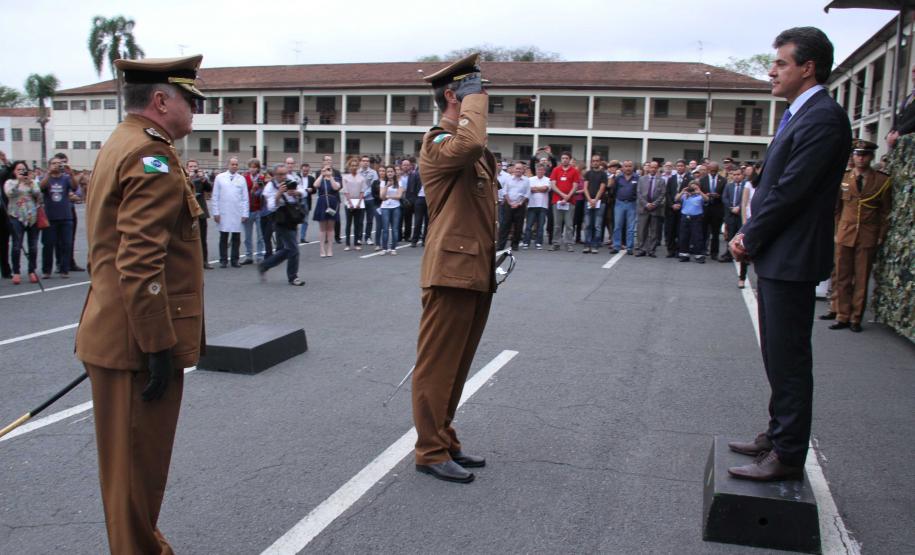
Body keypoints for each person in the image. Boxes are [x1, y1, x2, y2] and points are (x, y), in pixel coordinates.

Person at [74, 54, 207, 553]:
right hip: (135, 341)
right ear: (160, 101)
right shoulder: (149, 156)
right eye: (189, 100)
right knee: (136, 479)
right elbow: (140, 262)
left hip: (116, 331)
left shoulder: (122, 141)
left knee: (131, 478)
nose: (193, 110)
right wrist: (156, 345)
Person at [728, 27, 852, 481]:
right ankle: (777, 435)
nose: (772, 70)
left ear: (808, 68)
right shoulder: (801, 114)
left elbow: (790, 190)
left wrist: (749, 235)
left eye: (781, 63)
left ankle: (787, 453)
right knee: (777, 354)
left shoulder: (822, 117)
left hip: (792, 254)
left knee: (789, 357)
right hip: (784, 252)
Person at [414, 53, 496, 484]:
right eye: (477, 94)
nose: (484, 101)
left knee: (458, 365)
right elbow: (471, 143)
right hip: (449, 272)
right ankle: (429, 451)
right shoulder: (439, 142)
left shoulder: (467, 147)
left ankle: (445, 440)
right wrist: (472, 105)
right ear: (453, 96)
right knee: (437, 365)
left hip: (472, 270)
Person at [824, 139, 891, 332]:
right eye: (857, 154)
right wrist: (837, 231)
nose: (860, 159)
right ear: (853, 156)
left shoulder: (882, 181)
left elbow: (885, 212)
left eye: (864, 155)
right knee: (842, 276)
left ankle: (855, 318)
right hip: (845, 232)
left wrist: (881, 235)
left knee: (861, 278)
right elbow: (837, 209)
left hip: (868, 234)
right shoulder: (844, 179)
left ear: (871, 157)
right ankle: (842, 315)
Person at [258, 164, 305, 285]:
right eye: (280, 174)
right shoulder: (270, 187)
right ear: (274, 175)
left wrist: (296, 192)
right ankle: (293, 277)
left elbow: (303, 192)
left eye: (285, 173)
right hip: (280, 218)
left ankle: (264, 265)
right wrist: (279, 193)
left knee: (288, 249)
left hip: (292, 216)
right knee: (294, 249)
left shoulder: (291, 180)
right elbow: (271, 207)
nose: (283, 177)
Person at [38, 156, 77, 278]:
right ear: (49, 165)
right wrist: (49, 173)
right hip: (50, 217)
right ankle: (47, 270)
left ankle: (64, 269)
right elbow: (41, 187)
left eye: (59, 164)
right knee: (48, 244)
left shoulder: (65, 178)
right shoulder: (46, 178)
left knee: (66, 244)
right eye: (54, 163)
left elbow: (75, 187)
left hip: (66, 217)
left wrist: (71, 174)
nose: (56, 165)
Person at [4, 160, 41, 284]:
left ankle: (32, 271)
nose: (21, 171)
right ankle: (16, 272)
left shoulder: (32, 182)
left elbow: (38, 196)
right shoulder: (10, 182)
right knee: (16, 246)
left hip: (32, 217)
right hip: (16, 216)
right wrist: (19, 181)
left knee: (33, 246)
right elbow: (9, 194)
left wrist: (31, 183)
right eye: (18, 169)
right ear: (14, 171)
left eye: (23, 169)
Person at [211, 157, 249, 267]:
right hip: (224, 212)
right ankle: (223, 260)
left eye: (236, 164)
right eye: (232, 164)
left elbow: (245, 198)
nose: (234, 166)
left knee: (236, 238)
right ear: (228, 165)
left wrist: (245, 213)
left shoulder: (242, 179)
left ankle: (235, 260)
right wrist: (216, 212)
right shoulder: (219, 178)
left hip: (237, 212)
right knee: (223, 236)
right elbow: (215, 196)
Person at [549, 152, 580, 252]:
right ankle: (556, 243)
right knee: (557, 224)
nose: (564, 160)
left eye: (566, 158)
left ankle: (569, 244)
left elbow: (575, 186)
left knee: (569, 224)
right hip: (557, 201)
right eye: (562, 158)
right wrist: (563, 195)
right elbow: (553, 185)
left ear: (570, 159)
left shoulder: (574, 171)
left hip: (570, 202)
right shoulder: (556, 170)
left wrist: (568, 197)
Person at [635, 161, 666, 257]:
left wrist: (654, 204)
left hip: (655, 208)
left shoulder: (661, 180)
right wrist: (646, 204)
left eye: (655, 167)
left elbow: (662, 194)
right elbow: (639, 193)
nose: (653, 169)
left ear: (657, 169)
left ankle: (651, 250)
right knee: (642, 230)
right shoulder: (641, 179)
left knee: (654, 231)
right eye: (651, 167)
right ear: (648, 168)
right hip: (643, 208)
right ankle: (642, 249)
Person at [498, 162, 530, 250]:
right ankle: (501, 245)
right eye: (517, 168)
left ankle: (514, 245)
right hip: (508, 205)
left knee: (518, 227)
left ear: (523, 170)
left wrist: (519, 203)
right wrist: (510, 202)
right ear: (513, 169)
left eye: (520, 169)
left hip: (520, 205)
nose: (518, 170)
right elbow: (504, 192)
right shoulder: (509, 179)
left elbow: (527, 194)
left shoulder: (526, 180)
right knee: (505, 225)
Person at [310, 165, 341, 257]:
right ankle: (322, 249)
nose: (327, 171)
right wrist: (322, 174)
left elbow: (336, 187)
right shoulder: (321, 179)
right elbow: (315, 185)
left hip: (332, 203)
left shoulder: (336, 179)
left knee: (330, 228)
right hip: (322, 203)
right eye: (325, 169)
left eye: (329, 169)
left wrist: (330, 176)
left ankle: (330, 249)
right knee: (322, 228)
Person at [187, 159, 212, 268]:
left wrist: (203, 179)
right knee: (188, 239)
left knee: (202, 238)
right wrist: (189, 178)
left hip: (201, 212)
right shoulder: (184, 178)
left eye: (195, 166)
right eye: (191, 166)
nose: (193, 168)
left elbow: (209, 189)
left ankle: (204, 261)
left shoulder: (201, 179)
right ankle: (190, 262)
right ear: (187, 168)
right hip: (188, 213)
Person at [737, 168, 759, 289]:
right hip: (750, 220)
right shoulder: (749, 184)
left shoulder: (770, 183)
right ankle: (741, 278)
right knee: (744, 250)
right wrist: (744, 222)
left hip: (763, 220)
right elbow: (744, 204)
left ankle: (760, 280)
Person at [676, 179, 708, 262]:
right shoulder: (685, 194)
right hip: (685, 216)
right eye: (691, 185)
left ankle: (699, 255)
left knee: (697, 237)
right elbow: (676, 199)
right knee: (684, 236)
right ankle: (684, 254)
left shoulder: (700, 195)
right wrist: (682, 192)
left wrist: (699, 192)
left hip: (697, 217)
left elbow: (707, 199)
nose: (693, 187)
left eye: (695, 185)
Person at [611, 160, 639, 255]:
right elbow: (614, 190)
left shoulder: (637, 177)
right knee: (617, 226)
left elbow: (639, 191)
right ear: (622, 168)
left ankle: (630, 247)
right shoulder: (619, 178)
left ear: (633, 167)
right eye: (626, 166)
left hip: (632, 204)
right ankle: (616, 246)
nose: (628, 168)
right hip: (620, 204)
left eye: (630, 166)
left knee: (630, 228)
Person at [699, 161, 725, 260]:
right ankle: (702, 251)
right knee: (703, 232)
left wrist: (719, 196)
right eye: (711, 170)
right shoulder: (702, 180)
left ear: (718, 170)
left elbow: (725, 195)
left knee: (715, 233)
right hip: (705, 209)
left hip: (717, 209)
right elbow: (699, 194)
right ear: (708, 170)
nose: (713, 172)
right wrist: (706, 195)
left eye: (715, 170)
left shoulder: (723, 180)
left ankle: (714, 252)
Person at [242, 158, 266, 265]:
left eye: (255, 167)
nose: (252, 169)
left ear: (258, 168)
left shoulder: (262, 178)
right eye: (251, 167)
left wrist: (262, 185)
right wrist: (253, 187)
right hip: (248, 209)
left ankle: (260, 255)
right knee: (247, 235)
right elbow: (243, 192)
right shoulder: (244, 178)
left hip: (259, 209)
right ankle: (248, 255)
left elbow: (265, 192)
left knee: (260, 235)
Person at [581, 155, 607, 254]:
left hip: (600, 202)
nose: (595, 162)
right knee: (588, 224)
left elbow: (602, 188)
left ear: (600, 162)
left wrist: (595, 200)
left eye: (597, 161)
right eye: (593, 161)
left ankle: (595, 245)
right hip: (588, 201)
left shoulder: (603, 174)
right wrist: (589, 200)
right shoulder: (588, 173)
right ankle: (587, 244)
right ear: (591, 162)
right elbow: (585, 187)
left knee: (597, 225)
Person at [885, 65, 915, 150]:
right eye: (913, 72)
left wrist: (899, 132)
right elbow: (900, 118)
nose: (914, 75)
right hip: (901, 146)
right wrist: (891, 132)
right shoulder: (908, 98)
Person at [522, 162, 550, 249]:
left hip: (543, 206)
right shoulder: (530, 179)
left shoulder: (548, 179)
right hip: (532, 205)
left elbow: (545, 189)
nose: (540, 171)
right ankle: (526, 242)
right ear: (536, 170)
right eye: (538, 170)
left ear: (544, 171)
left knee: (540, 226)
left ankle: (538, 243)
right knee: (529, 225)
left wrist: (535, 188)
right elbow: (530, 189)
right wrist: (540, 189)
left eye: (542, 170)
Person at [720, 168, 745, 263]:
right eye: (734, 175)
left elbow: (746, 199)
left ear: (742, 175)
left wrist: (739, 207)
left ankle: (741, 254)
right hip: (730, 214)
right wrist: (731, 207)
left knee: (740, 235)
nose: (736, 176)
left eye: (738, 174)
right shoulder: (728, 186)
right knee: (730, 235)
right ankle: (729, 254)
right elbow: (724, 198)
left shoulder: (746, 186)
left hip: (740, 214)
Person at [341, 157, 366, 251]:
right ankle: (347, 243)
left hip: (359, 203)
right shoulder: (345, 177)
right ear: (349, 166)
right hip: (348, 203)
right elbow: (345, 191)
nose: (354, 167)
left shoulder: (361, 178)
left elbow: (362, 191)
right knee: (348, 223)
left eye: (356, 165)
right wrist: (350, 203)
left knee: (357, 224)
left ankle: (356, 243)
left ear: (358, 166)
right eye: (352, 165)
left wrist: (359, 202)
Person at [378, 165, 403, 254]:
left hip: (396, 207)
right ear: (386, 173)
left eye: (391, 171)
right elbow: (382, 197)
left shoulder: (399, 182)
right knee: (385, 228)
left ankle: (393, 248)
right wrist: (386, 186)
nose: (390, 173)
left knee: (395, 228)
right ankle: (384, 248)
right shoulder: (383, 182)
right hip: (385, 208)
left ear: (394, 173)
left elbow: (399, 196)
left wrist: (389, 196)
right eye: (388, 172)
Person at [358, 156, 379, 245]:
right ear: (361, 162)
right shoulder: (357, 172)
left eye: (367, 161)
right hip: (360, 199)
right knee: (360, 220)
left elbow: (373, 186)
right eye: (364, 161)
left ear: (369, 163)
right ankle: (358, 238)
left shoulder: (373, 172)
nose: (365, 162)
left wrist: (364, 194)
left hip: (370, 199)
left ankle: (368, 237)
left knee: (370, 220)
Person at [299, 162, 315, 243]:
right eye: (304, 171)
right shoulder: (297, 177)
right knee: (295, 218)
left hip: (306, 200)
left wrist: (311, 190)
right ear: (301, 170)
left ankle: (302, 237)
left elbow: (315, 190)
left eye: (307, 171)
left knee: (305, 220)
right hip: (298, 200)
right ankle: (294, 237)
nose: (305, 172)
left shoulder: (311, 179)